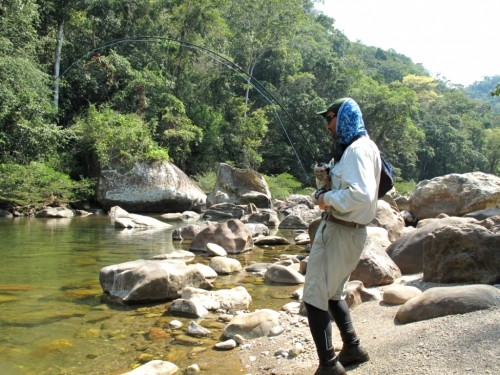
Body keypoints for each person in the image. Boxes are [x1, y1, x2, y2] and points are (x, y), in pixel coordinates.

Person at [303, 98, 381, 375]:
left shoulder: (357, 150)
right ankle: (353, 348)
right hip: (348, 232)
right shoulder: (358, 148)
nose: (327, 124)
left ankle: (328, 366)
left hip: (339, 231)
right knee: (333, 294)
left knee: (314, 298)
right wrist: (327, 179)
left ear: (345, 117)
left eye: (330, 117)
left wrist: (325, 197)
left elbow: (362, 194)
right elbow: (356, 188)